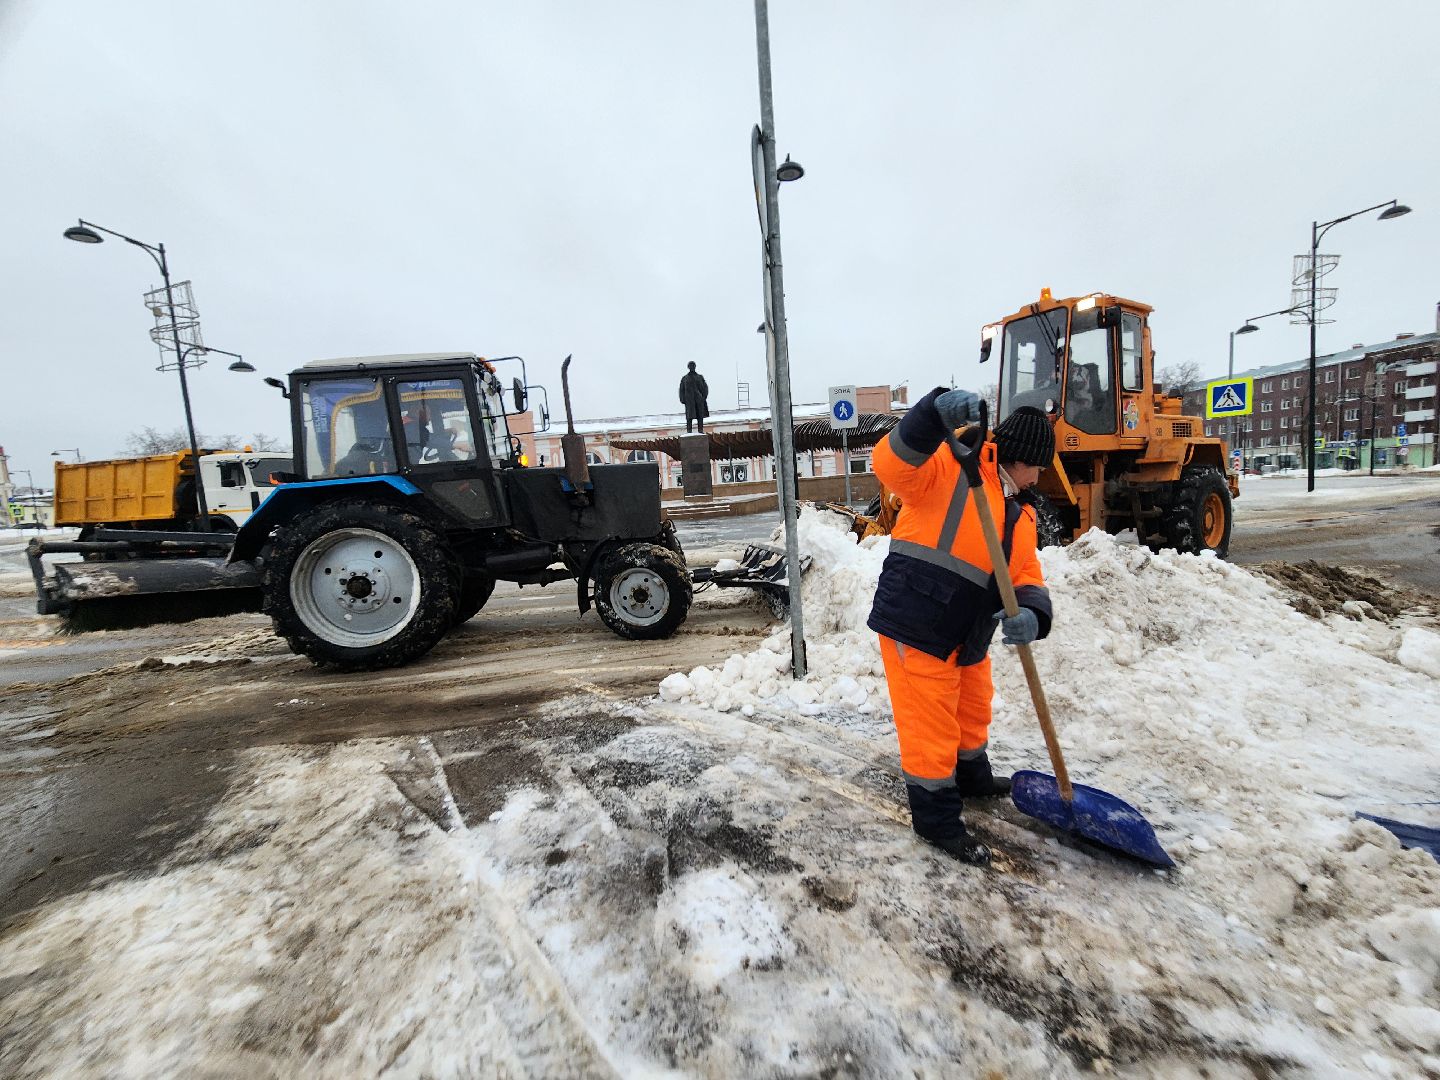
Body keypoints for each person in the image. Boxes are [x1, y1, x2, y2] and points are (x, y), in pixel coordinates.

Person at [868, 389, 1055, 866]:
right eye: (1039, 466)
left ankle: (971, 775)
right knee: (928, 723)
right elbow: (890, 465)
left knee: (973, 704)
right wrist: (929, 415)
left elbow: (1026, 574)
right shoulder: (951, 467)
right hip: (919, 616)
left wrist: (1033, 612)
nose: (1041, 476)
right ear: (1021, 460)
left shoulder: (1022, 510)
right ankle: (937, 820)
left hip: (969, 628)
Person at [679, 361, 709, 433]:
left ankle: (700, 431)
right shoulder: (685, 378)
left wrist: (703, 397)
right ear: (688, 367)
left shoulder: (700, 377)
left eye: (693, 366)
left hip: (699, 400)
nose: (692, 367)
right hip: (689, 401)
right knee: (689, 417)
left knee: (700, 416)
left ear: (695, 367)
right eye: (690, 366)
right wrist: (683, 399)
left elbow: (705, 387)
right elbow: (681, 389)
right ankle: (689, 432)